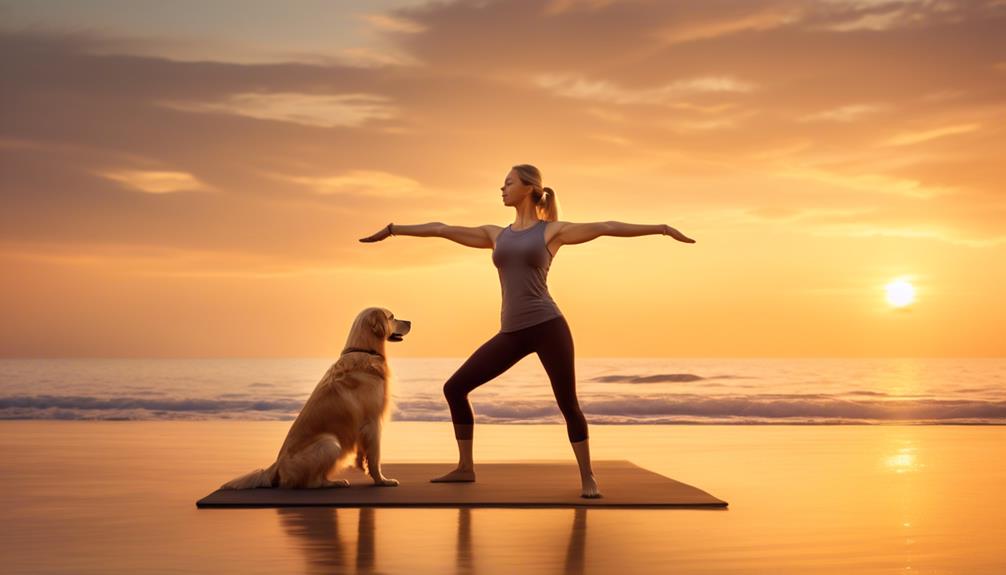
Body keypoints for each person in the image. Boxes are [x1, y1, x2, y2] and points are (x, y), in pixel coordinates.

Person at [359, 164, 696, 498]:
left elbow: (607, 226)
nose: (501, 189)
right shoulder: (496, 235)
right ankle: (465, 468)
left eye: (508, 183)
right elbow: (442, 229)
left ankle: (588, 477)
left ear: (529, 188)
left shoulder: (552, 232)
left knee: (568, 403)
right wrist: (393, 229)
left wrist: (663, 228)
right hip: (513, 332)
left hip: (549, 327)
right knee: (456, 387)